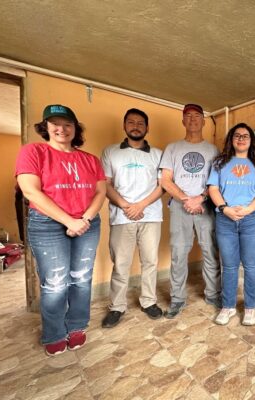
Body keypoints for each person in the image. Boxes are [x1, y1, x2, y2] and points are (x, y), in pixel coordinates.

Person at [15, 104, 106, 356]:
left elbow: (101, 192)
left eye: (67, 124)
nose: (61, 129)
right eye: (54, 123)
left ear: (75, 128)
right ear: (45, 127)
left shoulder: (90, 159)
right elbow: (30, 191)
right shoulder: (33, 151)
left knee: (81, 278)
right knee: (55, 282)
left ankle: (76, 325)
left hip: (86, 222)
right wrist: (69, 221)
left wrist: (85, 219)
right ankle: (54, 333)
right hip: (48, 224)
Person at [100, 108, 164, 328]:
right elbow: (105, 184)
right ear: (124, 126)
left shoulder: (157, 154)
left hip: (151, 215)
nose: (135, 126)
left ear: (147, 128)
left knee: (150, 262)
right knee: (121, 264)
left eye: (140, 123)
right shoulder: (111, 152)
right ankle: (117, 307)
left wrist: (141, 206)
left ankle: (149, 302)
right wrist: (127, 206)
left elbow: (162, 185)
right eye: (131, 122)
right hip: (122, 216)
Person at [159, 103, 221, 318]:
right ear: (183, 121)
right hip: (180, 206)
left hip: (206, 205)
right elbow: (165, 180)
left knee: (210, 251)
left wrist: (200, 198)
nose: (193, 119)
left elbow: (217, 180)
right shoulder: (172, 148)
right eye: (188, 116)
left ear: (204, 121)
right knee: (178, 253)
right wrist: (186, 198)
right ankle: (177, 299)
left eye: (197, 116)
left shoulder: (213, 150)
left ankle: (213, 294)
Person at [207, 123, 255, 326]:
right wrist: (225, 208)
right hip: (225, 220)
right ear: (231, 139)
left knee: (251, 266)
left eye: (245, 136)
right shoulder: (219, 163)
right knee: (229, 266)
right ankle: (228, 307)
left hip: (251, 220)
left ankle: (250, 308)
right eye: (237, 135)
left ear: (251, 140)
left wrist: (248, 209)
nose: (241, 139)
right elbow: (213, 189)